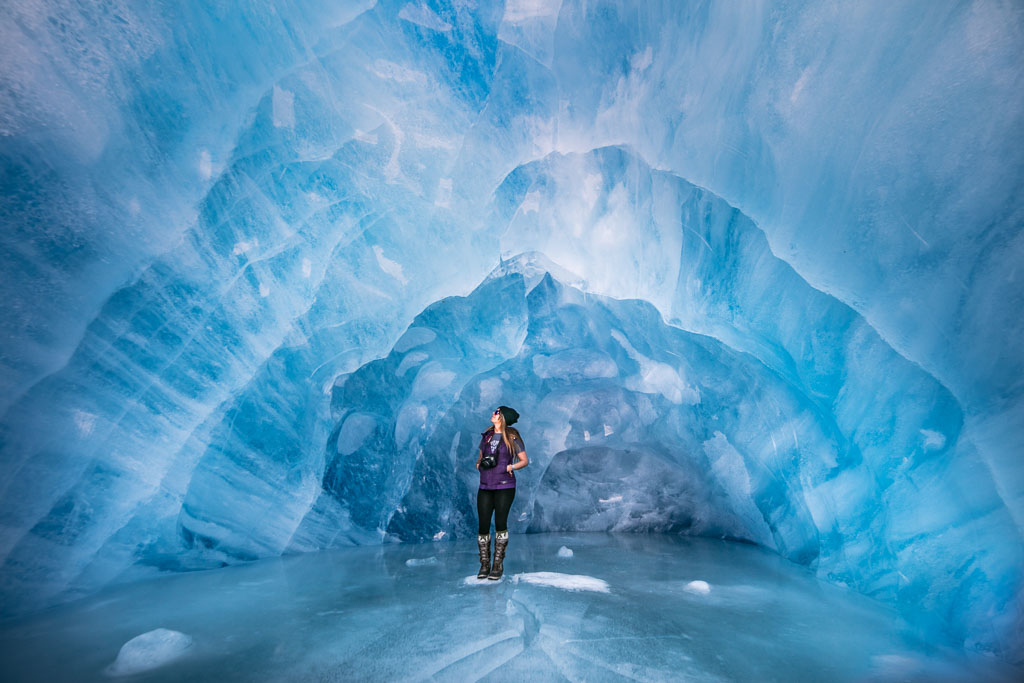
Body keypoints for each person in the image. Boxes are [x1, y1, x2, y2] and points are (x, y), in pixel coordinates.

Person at [475, 405, 528, 580]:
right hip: (485, 485)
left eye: (497, 412)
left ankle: (497, 564)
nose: (493, 413)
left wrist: (510, 466)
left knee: (500, 522)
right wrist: (479, 464)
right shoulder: (487, 435)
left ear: (503, 417)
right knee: (483, 524)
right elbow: (481, 457)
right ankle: (484, 564)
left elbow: (524, 460)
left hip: (504, 486)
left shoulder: (512, 436)